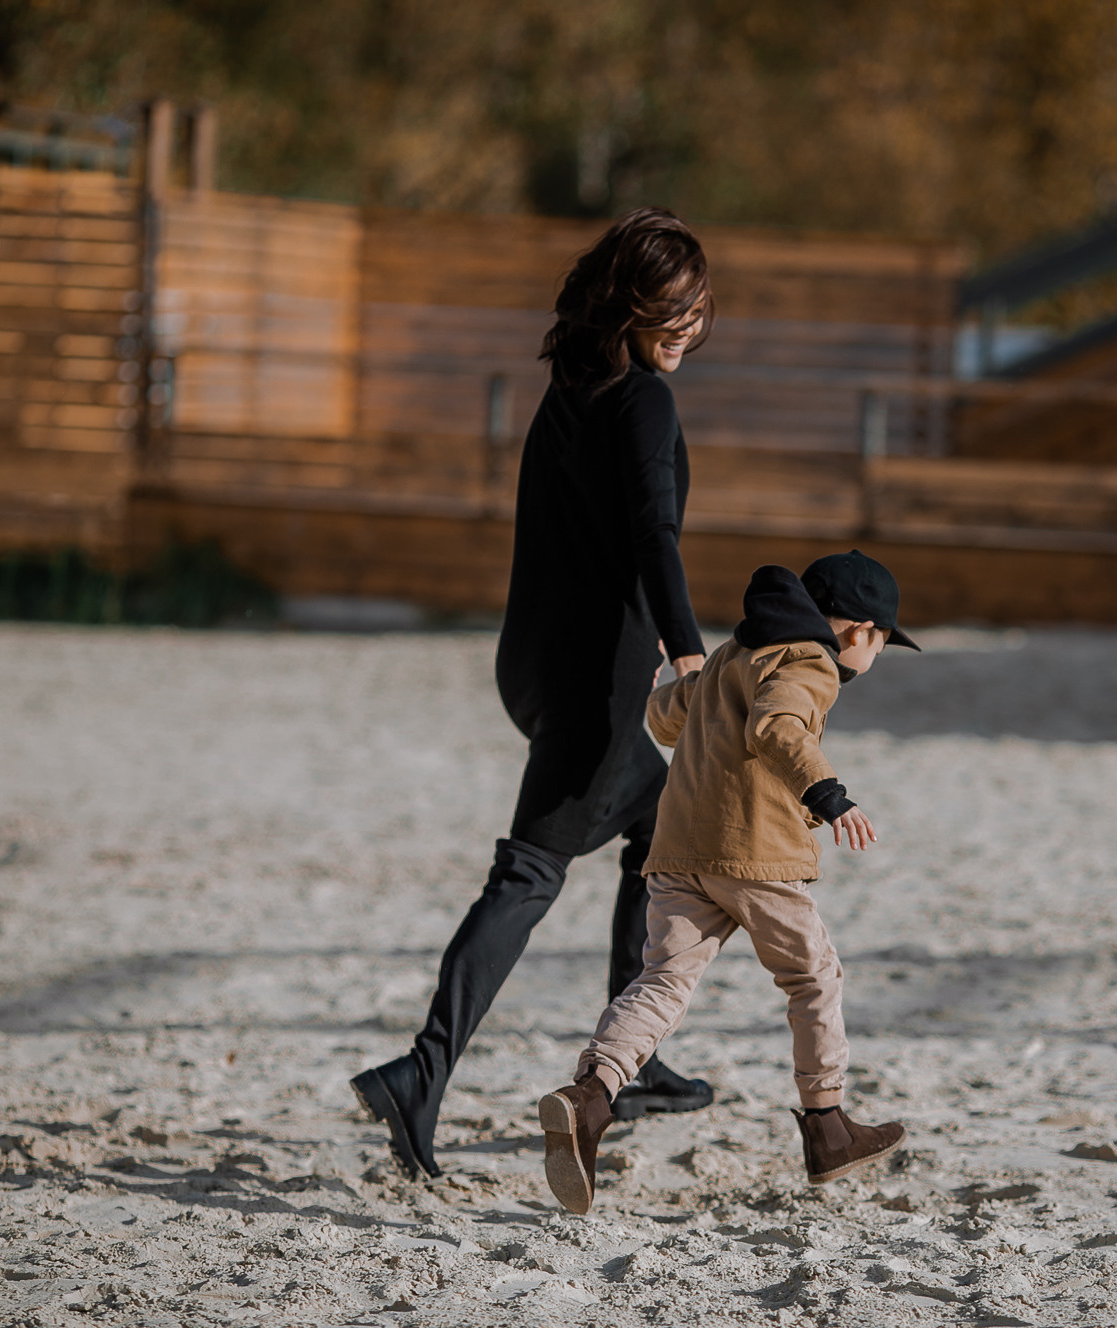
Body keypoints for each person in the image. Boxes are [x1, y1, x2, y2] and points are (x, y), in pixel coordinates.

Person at [352, 207, 720, 1180]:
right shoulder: (639, 403)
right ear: (632, 309)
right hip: (596, 682)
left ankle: (627, 1059)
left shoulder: (572, 389)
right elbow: (654, 538)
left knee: (656, 820)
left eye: (697, 310)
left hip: (536, 664)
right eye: (672, 310)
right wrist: (688, 653)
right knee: (529, 874)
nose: (687, 326)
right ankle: (419, 1074)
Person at [537, 551, 920, 1215]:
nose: (876, 653)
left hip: (679, 847)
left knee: (662, 980)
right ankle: (827, 1127)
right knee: (813, 977)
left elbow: (663, 717)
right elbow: (777, 725)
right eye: (884, 641)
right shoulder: (810, 661)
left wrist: (659, 683)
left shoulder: (730, 653)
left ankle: (592, 1095)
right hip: (755, 852)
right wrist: (829, 794)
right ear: (860, 630)